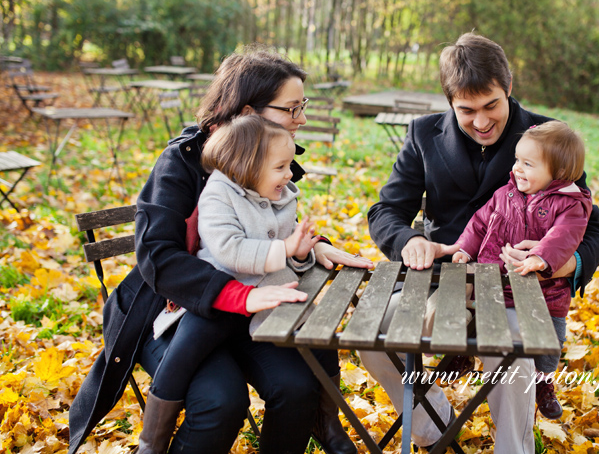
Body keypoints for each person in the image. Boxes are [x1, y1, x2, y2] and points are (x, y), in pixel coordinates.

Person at [68, 45, 372, 454]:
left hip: (249, 302)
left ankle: (322, 421)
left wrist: (313, 246)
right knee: (220, 400)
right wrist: (238, 294)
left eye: (304, 106)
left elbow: (267, 223)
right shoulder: (181, 162)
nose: (301, 119)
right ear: (249, 111)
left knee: (298, 386)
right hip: (176, 311)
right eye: (292, 108)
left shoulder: (267, 153)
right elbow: (159, 257)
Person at [364, 32, 599, 453]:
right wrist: (407, 241)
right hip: (440, 276)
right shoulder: (423, 135)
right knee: (369, 335)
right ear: (450, 102)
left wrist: (566, 265)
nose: (480, 121)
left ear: (508, 89)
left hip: (516, 289)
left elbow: (593, 229)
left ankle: (514, 448)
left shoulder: (547, 138)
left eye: (491, 105)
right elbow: (385, 211)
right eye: (466, 110)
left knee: (512, 346)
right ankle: (432, 423)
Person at [136, 115, 321, 453]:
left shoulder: (278, 192)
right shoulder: (219, 194)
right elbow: (230, 248)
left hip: (260, 310)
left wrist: (298, 255)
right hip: (215, 301)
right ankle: (151, 442)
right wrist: (284, 249)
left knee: (308, 367)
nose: (291, 173)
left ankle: (328, 428)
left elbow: (284, 242)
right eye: (281, 166)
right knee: (182, 357)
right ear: (247, 165)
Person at [452, 121, 593, 420]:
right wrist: (464, 248)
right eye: (517, 160)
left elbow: (564, 235)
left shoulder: (571, 203)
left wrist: (542, 258)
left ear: (559, 172)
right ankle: (460, 353)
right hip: (495, 283)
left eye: (528, 164)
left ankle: (543, 382)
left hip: (546, 293)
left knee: (549, 341)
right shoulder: (507, 193)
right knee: (470, 311)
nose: (517, 168)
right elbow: (479, 222)